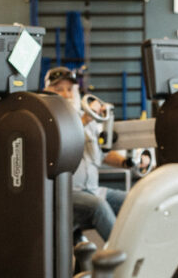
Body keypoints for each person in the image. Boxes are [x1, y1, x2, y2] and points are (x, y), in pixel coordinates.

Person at [43, 66, 138, 241]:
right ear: (46, 91)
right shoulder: (46, 120)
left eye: (69, 89)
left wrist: (127, 162)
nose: (65, 94)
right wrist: (87, 117)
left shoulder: (87, 118)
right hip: (66, 194)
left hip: (93, 190)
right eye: (58, 89)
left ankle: (145, 251)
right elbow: (63, 137)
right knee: (98, 206)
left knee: (136, 200)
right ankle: (124, 260)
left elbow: (102, 155)